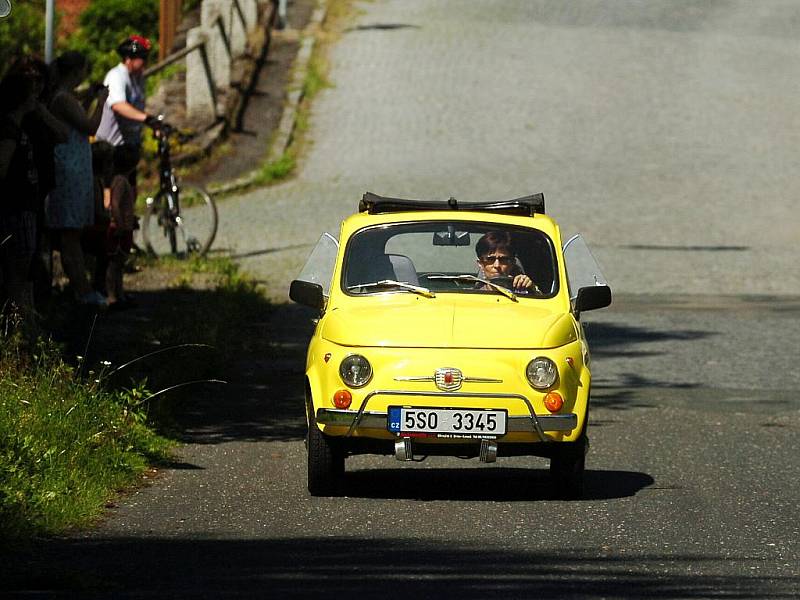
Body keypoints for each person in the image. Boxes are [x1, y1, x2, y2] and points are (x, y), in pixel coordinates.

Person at [46, 50, 109, 306]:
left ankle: (81, 291)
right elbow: (90, 126)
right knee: (70, 234)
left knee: (71, 233)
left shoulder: (63, 98)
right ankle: (83, 293)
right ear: (76, 71)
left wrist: (90, 98)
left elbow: (77, 119)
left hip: (70, 168)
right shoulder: (63, 98)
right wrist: (102, 102)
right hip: (69, 171)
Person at [95, 35, 158, 199]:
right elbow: (118, 105)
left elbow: (137, 109)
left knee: (131, 193)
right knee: (112, 196)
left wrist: (153, 125)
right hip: (111, 148)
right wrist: (147, 119)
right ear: (129, 59)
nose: (145, 62)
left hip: (129, 146)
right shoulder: (116, 76)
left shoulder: (138, 78)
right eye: (142, 58)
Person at [0, 72, 39, 313]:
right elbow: (2, 168)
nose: (36, 97)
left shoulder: (16, 126)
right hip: (16, 206)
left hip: (24, 205)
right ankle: (16, 321)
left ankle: (21, 319)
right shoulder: (9, 130)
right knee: (18, 267)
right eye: (32, 92)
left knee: (22, 265)